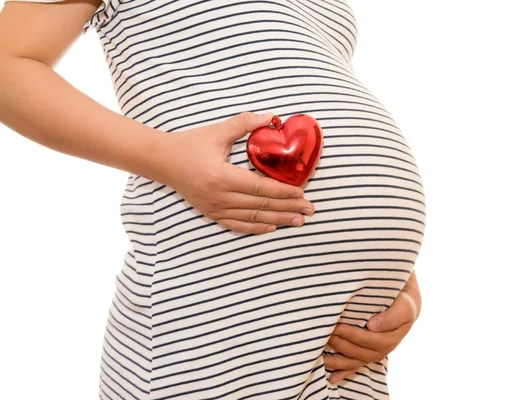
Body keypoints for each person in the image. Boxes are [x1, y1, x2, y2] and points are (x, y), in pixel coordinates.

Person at [0, 0, 426, 398]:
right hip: (221, 275)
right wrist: (166, 158)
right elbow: (7, 65)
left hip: (346, 328)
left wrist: (394, 273)